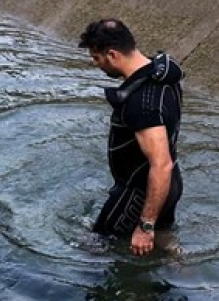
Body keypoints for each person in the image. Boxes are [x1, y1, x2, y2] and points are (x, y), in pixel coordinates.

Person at [79, 19, 185, 256]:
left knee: (92, 248)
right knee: (166, 246)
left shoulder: (141, 103)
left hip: (139, 192)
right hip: (171, 184)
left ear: (113, 55)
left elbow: (161, 164)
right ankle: (187, 276)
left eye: (97, 58)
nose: (96, 65)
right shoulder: (161, 72)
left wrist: (145, 226)